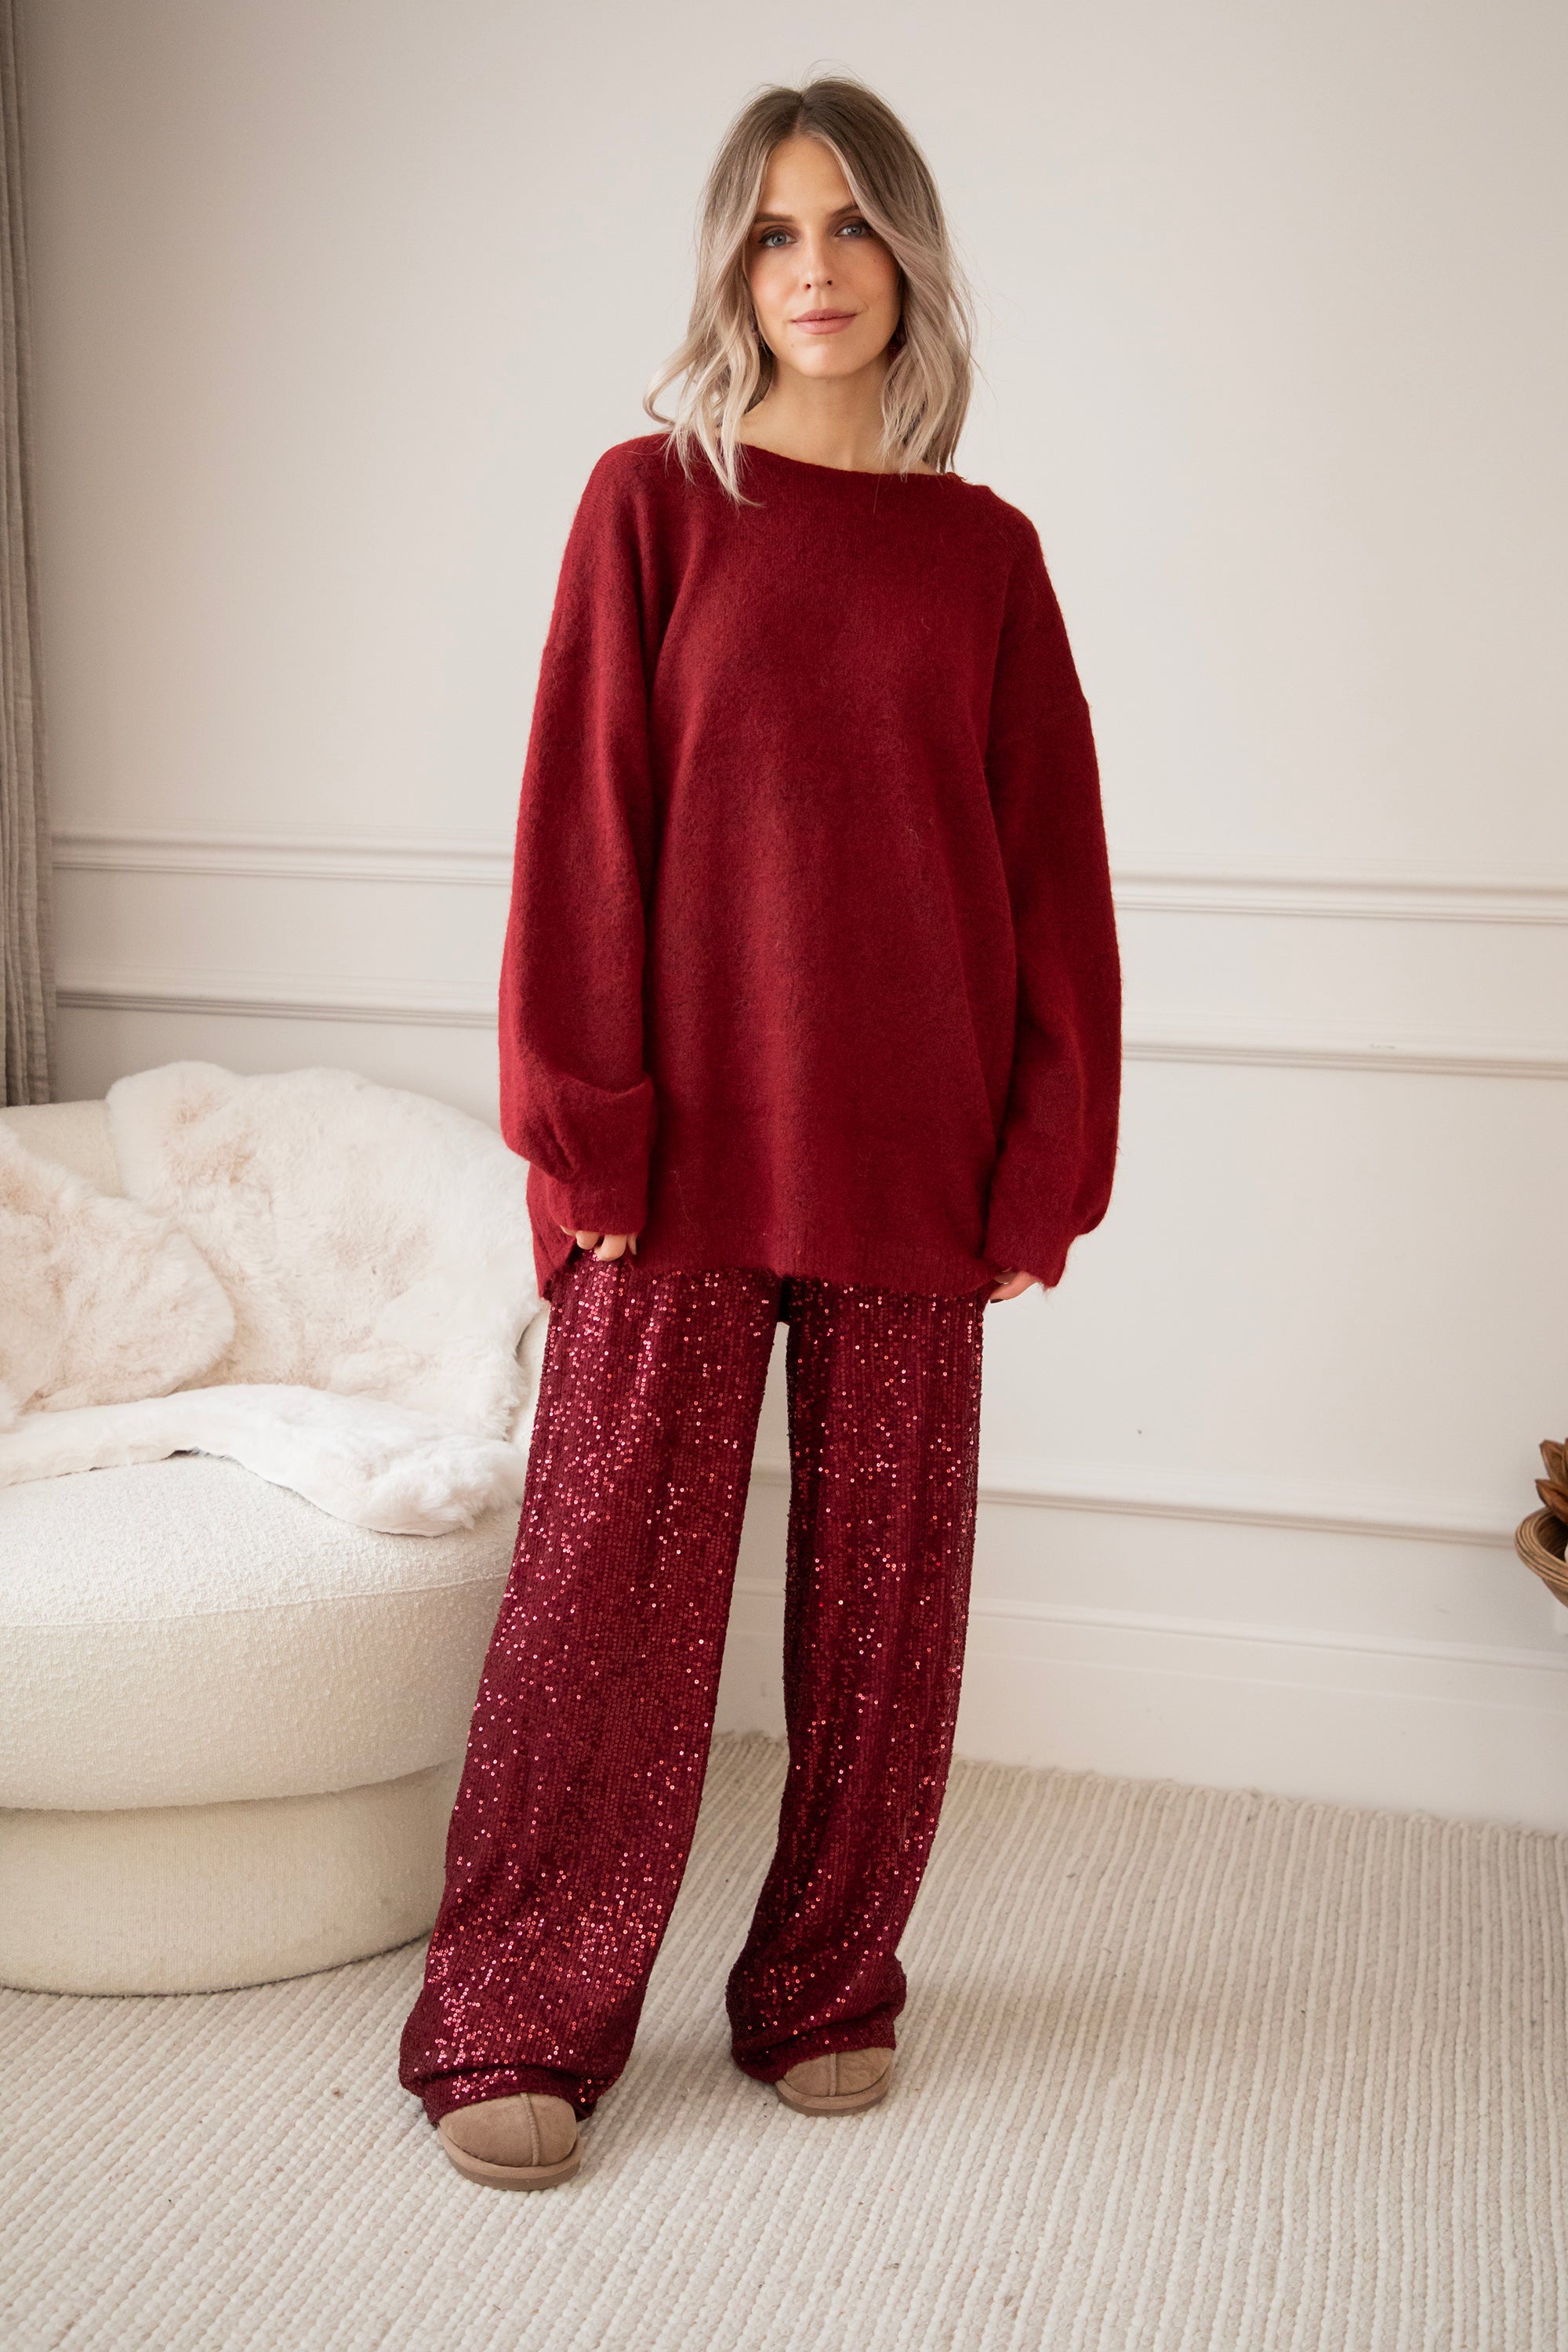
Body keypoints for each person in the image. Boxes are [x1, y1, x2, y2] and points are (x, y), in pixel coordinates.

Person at [398, 72, 1122, 2190]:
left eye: (852, 225)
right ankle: (518, 2013)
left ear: (910, 256)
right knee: (599, 1610)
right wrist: (587, 1135)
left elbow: (1053, 879)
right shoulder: (651, 505)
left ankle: (824, 1984)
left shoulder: (988, 558)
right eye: (776, 232)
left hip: (916, 1160)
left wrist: (1042, 1169)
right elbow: (581, 828)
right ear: (733, 268)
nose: (816, 269)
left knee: (888, 1623)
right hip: (677, 1162)